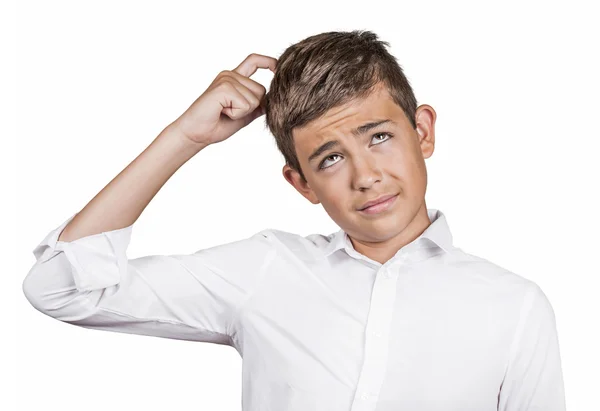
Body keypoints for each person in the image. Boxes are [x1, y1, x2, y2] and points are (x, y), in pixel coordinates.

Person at [22, 30, 566, 410]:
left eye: (379, 136)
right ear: (301, 182)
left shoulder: (514, 307)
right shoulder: (267, 270)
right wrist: (183, 138)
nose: (366, 176)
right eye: (330, 158)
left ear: (422, 132)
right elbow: (62, 290)